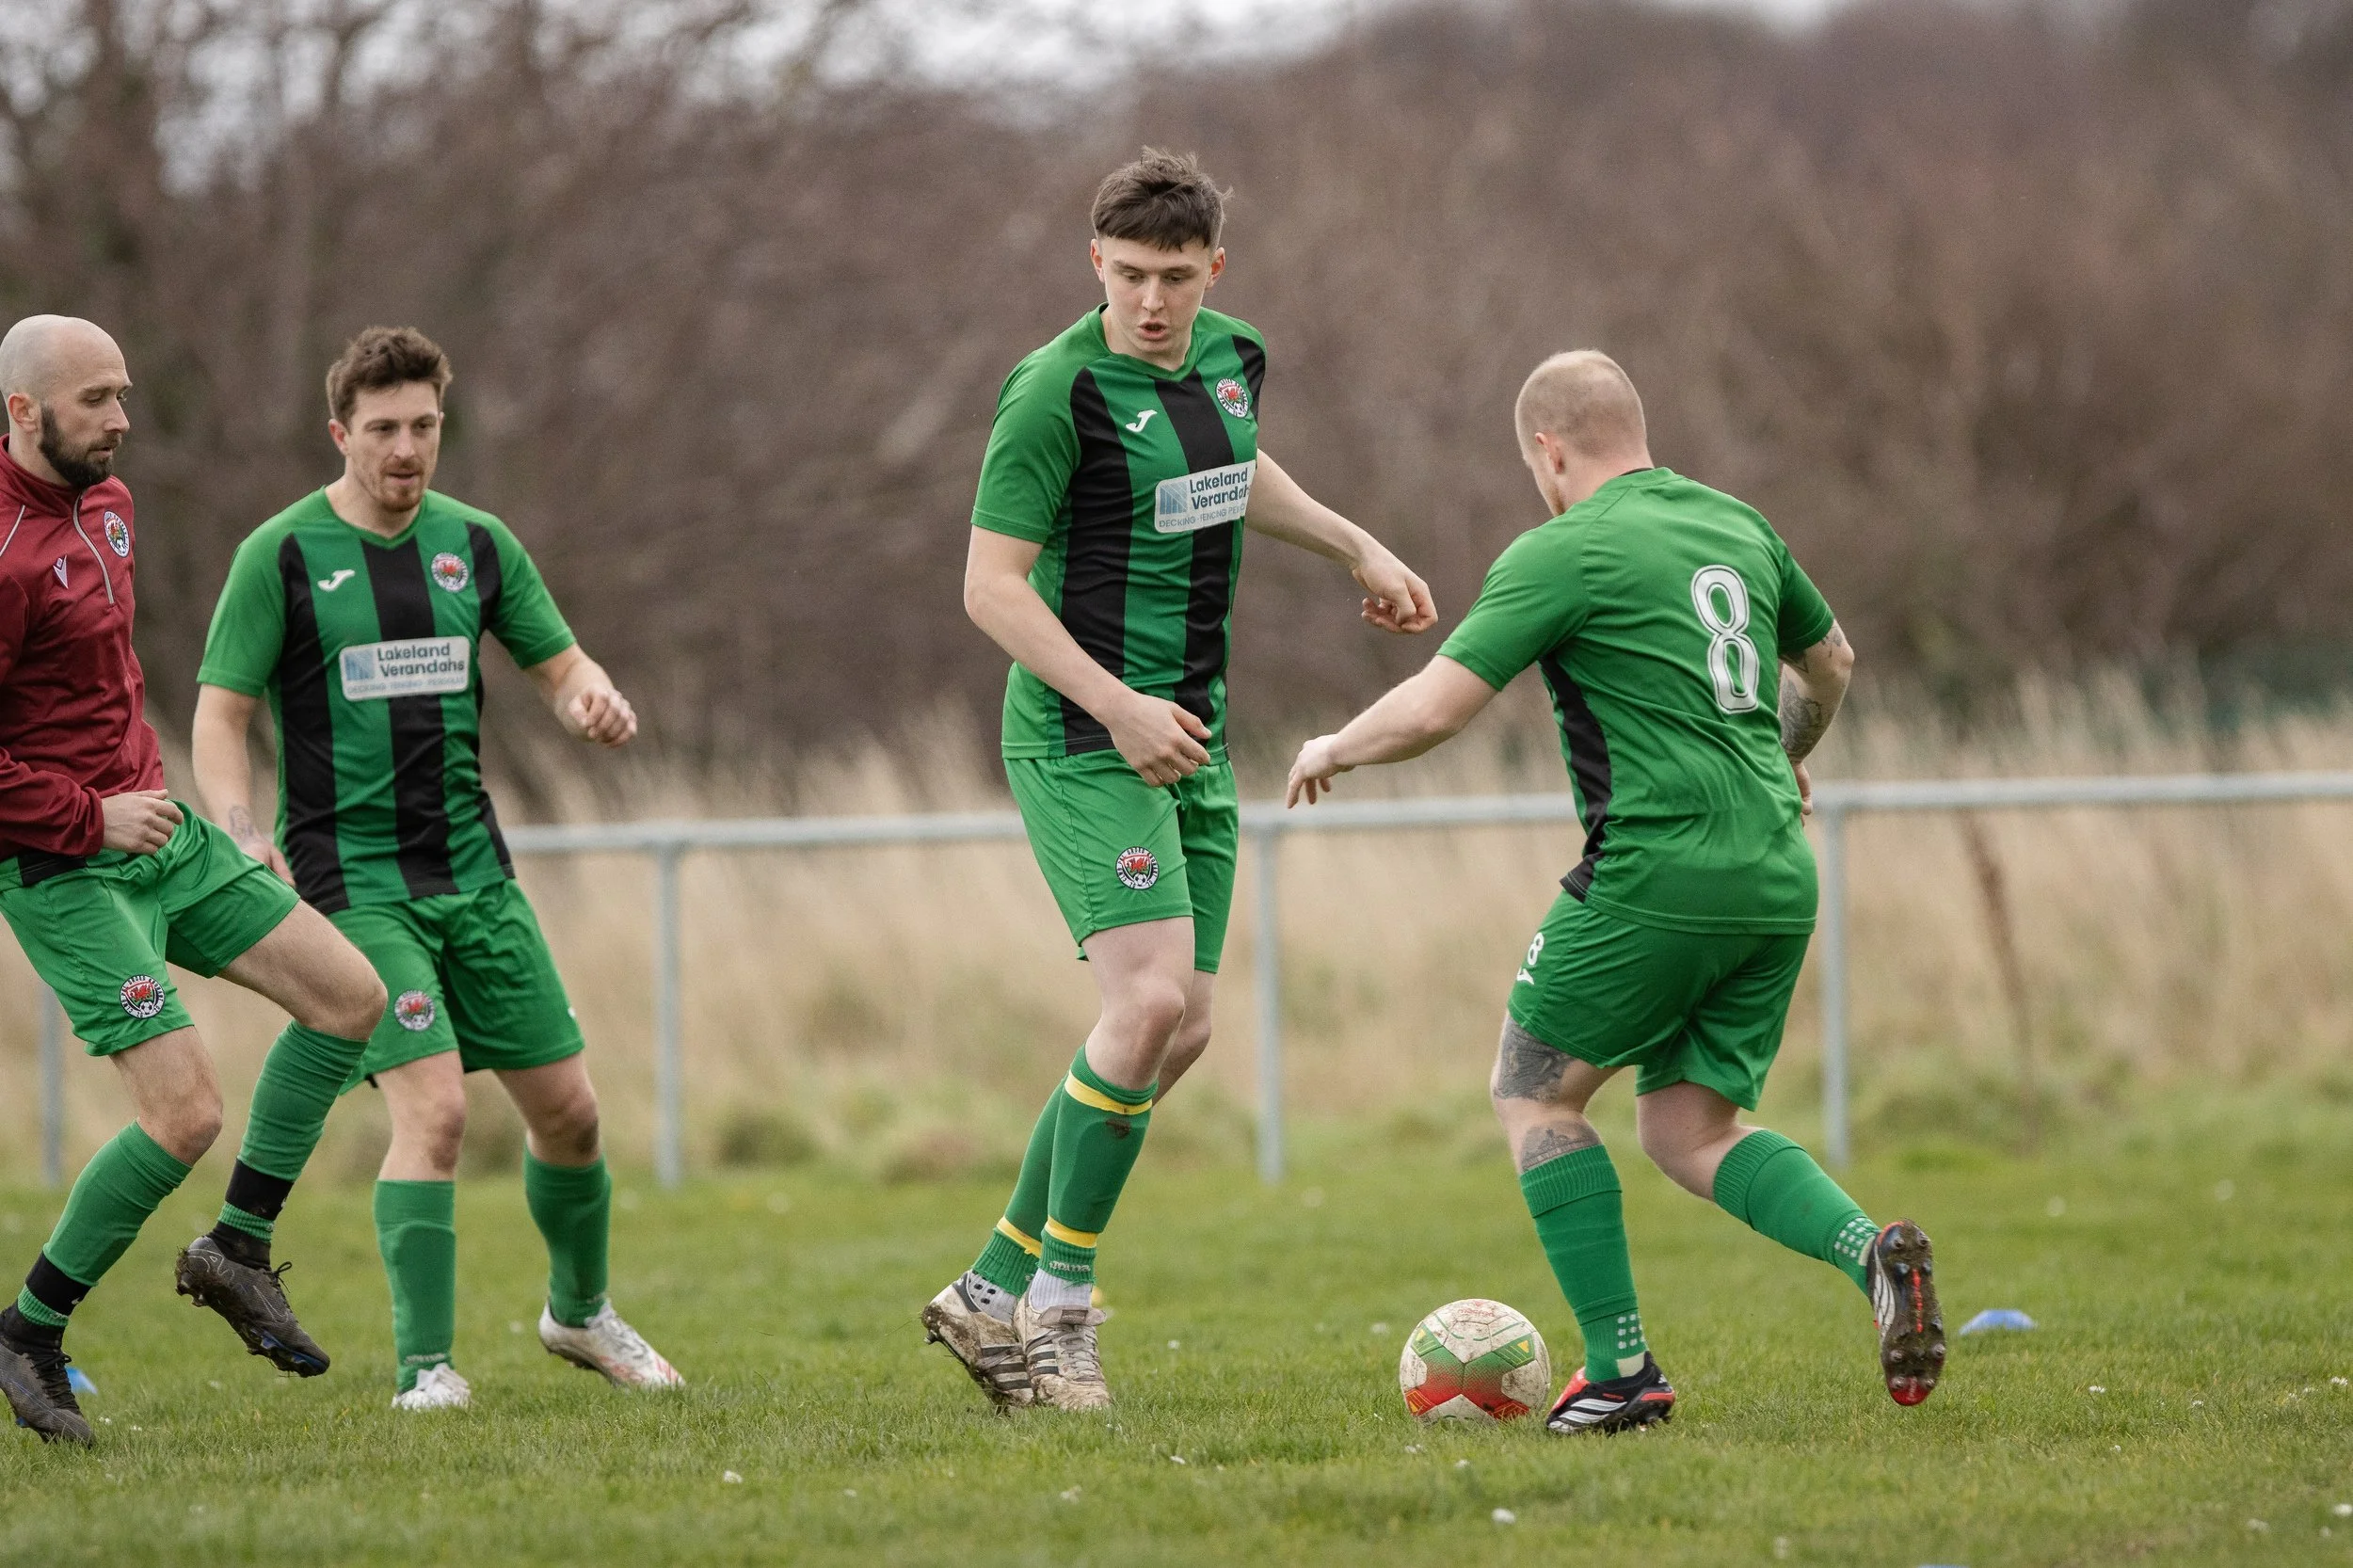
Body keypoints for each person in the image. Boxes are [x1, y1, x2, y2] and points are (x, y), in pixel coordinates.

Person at [1284, 350, 1945, 1433]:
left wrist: (1334, 744)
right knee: (1687, 1126)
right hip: (1778, 874)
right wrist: (1783, 754)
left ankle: (1621, 1370)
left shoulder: (1564, 547)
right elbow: (1831, 663)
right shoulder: (1737, 524)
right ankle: (1871, 1255)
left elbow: (1438, 706)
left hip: (1658, 868)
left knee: (1533, 1090)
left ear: (1547, 451)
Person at [923, 150, 1438, 1412]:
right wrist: (1113, 703)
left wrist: (1352, 542)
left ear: (1217, 268)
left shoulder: (1231, 357)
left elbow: (1231, 467)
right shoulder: (1053, 393)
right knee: (1146, 1002)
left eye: (1176, 278)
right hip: (1081, 730)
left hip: (1191, 730)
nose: (1152, 302)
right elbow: (990, 588)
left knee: (1181, 1025)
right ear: (1093, 259)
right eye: (1130, 275)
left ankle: (989, 1286)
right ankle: (1058, 1309)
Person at [191, 326, 680, 1412]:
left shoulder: (478, 544)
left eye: (423, 426)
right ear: (340, 434)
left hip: (476, 874)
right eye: (383, 430)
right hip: (352, 881)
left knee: (573, 1115)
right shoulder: (280, 554)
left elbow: (560, 664)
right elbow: (219, 715)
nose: (406, 448)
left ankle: (581, 1313)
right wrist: (237, 826)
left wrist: (588, 699)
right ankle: (427, 1371)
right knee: (437, 1115)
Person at [0, 316, 391, 1446]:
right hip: (64, 864)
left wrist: (150, 793)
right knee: (183, 1116)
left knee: (349, 998)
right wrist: (86, 814)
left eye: (125, 391)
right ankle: (29, 1331)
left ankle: (238, 1250)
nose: (123, 419)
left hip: (164, 833)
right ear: (25, 413)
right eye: (96, 401)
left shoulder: (111, 506)